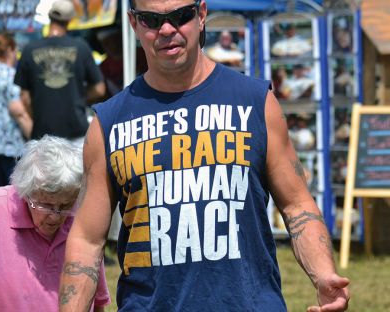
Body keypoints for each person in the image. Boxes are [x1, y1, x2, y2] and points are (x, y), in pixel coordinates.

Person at [60, 1, 350, 311]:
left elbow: (297, 205)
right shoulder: (109, 123)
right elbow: (87, 241)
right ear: (133, 24)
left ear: (201, 15)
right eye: (151, 20)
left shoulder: (255, 102)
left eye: (180, 16)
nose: (167, 30)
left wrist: (323, 275)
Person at [0, 135, 110, 311]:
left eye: (65, 205)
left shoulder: (82, 215)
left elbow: (97, 300)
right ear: (26, 192)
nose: (55, 217)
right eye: (45, 205)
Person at [14, 0, 105, 145]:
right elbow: (99, 89)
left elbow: (24, 97)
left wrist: (37, 113)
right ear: (69, 21)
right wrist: (77, 98)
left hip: (42, 135)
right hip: (76, 132)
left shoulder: (29, 49)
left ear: (50, 18)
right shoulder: (81, 47)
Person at [0, 31, 33, 187]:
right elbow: (18, 111)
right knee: (16, 195)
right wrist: (37, 140)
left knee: (0, 193)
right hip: (13, 146)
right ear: (10, 50)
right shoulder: (9, 75)